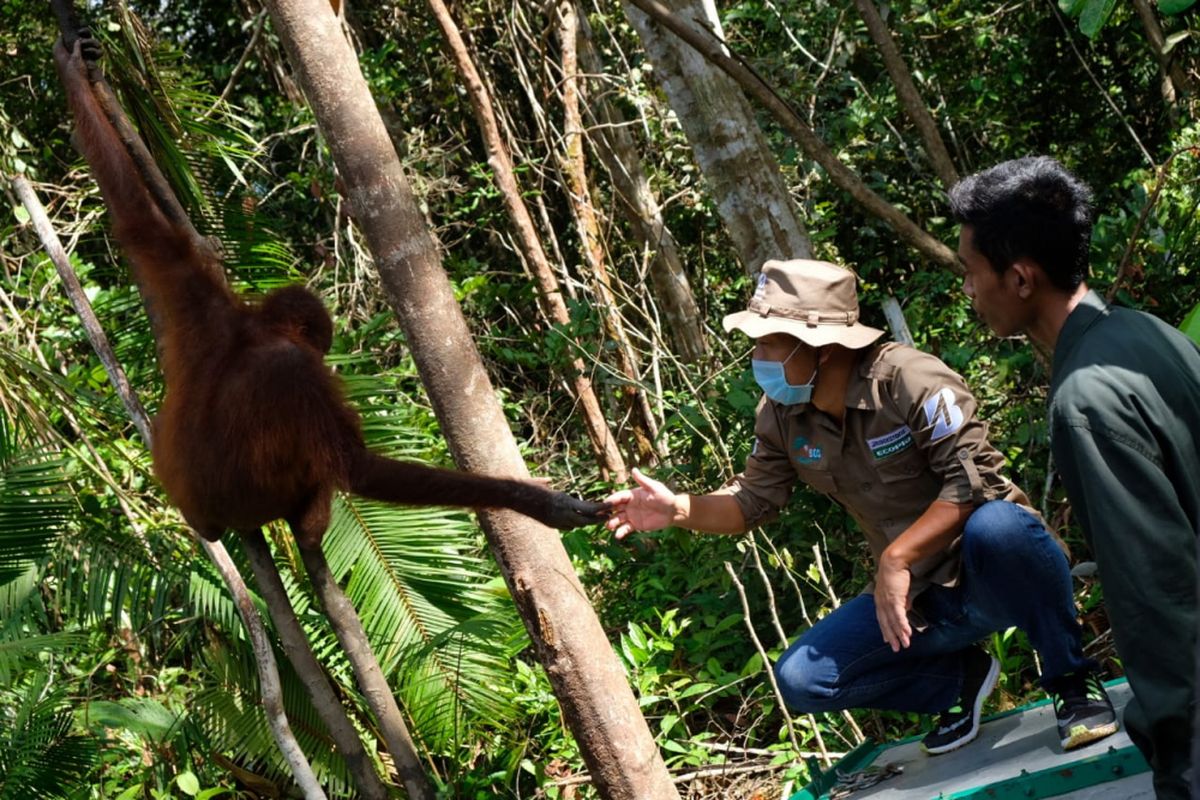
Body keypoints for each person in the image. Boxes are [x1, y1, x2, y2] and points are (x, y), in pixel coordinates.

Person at [605, 258, 1118, 755]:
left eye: (767, 341)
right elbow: (752, 501)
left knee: (1000, 525)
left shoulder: (908, 379)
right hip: (918, 600)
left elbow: (975, 481)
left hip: (998, 570)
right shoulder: (783, 415)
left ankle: (1071, 680)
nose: (756, 355)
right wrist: (678, 509)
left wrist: (896, 558)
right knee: (803, 679)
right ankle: (959, 683)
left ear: (820, 347)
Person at [949, 156, 1198, 798]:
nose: (970, 292)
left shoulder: (1085, 400)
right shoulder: (1147, 334)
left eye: (973, 273)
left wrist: (1179, 758)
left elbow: (1158, 599)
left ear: (1021, 277)